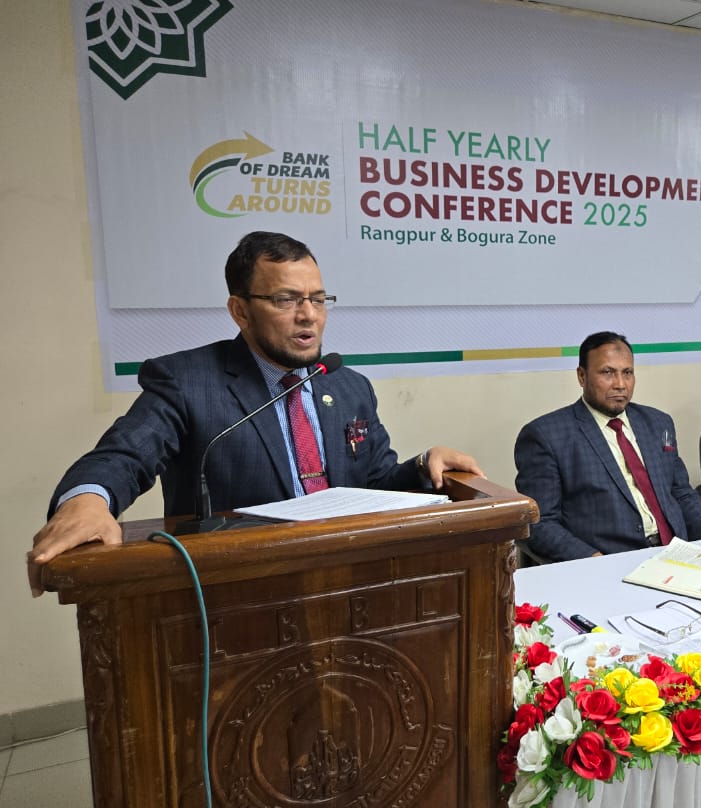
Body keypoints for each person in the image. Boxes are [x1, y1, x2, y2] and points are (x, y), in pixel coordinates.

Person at [29, 231, 482, 589]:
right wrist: (87, 501)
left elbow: (373, 484)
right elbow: (125, 454)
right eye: (286, 300)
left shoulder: (347, 386)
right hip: (239, 597)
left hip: (348, 586)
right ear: (240, 311)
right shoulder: (188, 383)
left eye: (318, 299)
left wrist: (423, 466)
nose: (309, 315)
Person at [514, 331, 701, 561]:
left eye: (627, 373)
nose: (620, 385)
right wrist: (592, 558)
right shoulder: (546, 436)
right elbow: (539, 522)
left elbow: (681, 493)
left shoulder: (657, 423)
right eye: (607, 372)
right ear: (582, 376)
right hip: (610, 560)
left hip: (677, 553)